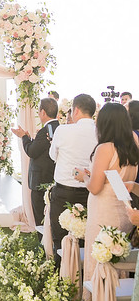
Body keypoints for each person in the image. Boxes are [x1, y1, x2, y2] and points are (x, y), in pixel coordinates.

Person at [74, 102, 139, 281]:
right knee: (118, 260)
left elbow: (95, 188)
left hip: (104, 213)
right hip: (125, 212)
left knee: (99, 260)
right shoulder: (134, 142)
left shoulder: (105, 148)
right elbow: (115, 178)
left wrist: (83, 177)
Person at [48, 93, 97, 268]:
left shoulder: (63, 130)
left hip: (63, 192)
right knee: (85, 237)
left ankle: (61, 274)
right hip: (90, 192)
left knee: (60, 237)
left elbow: (52, 155)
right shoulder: (100, 131)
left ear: (75, 110)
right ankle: (82, 276)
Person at [11, 97, 59, 225]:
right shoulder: (59, 128)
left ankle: (43, 243)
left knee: (40, 218)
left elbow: (32, 151)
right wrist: (31, 139)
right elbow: (42, 149)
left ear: (43, 112)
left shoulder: (45, 131)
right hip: (53, 178)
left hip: (41, 180)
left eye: (39, 111)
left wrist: (24, 137)